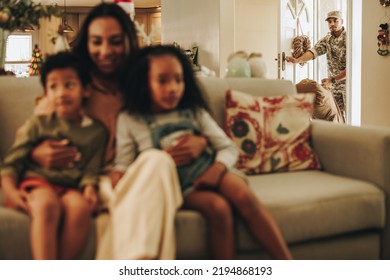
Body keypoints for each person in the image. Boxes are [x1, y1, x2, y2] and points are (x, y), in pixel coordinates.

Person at [27, 3, 207, 260]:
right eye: (96, 42)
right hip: (92, 180)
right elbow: (31, 132)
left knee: (158, 160)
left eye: (115, 41)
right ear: (86, 44)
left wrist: (200, 141)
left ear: (128, 41)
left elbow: (183, 116)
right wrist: (37, 152)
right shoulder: (74, 84)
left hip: (137, 174)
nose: (105, 51)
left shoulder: (143, 82)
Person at [116, 45, 292, 260]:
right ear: (144, 84)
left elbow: (227, 147)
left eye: (178, 80)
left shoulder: (193, 112)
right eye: (162, 81)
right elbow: (124, 165)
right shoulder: (130, 119)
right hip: (177, 185)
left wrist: (217, 169)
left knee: (243, 196)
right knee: (218, 209)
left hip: (211, 168)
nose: (172, 88)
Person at [0, 52, 107, 260]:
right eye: (53, 87)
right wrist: (10, 189)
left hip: (70, 187)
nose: (61, 93)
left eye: (69, 85)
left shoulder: (96, 132)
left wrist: (89, 188)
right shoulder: (40, 123)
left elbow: (91, 169)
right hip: (39, 182)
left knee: (79, 208)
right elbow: (13, 160)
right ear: (46, 92)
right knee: (47, 204)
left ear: (86, 90)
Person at [285, 10, 347, 119]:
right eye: (329, 22)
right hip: (333, 87)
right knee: (337, 117)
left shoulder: (349, 38)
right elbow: (313, 52)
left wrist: (333, 80)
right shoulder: (328, 39)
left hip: (348, 86)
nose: (332, 24)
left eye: (335, 21)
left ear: (341, 21)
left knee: (350, 115)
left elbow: (352, 68)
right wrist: (298, 60)